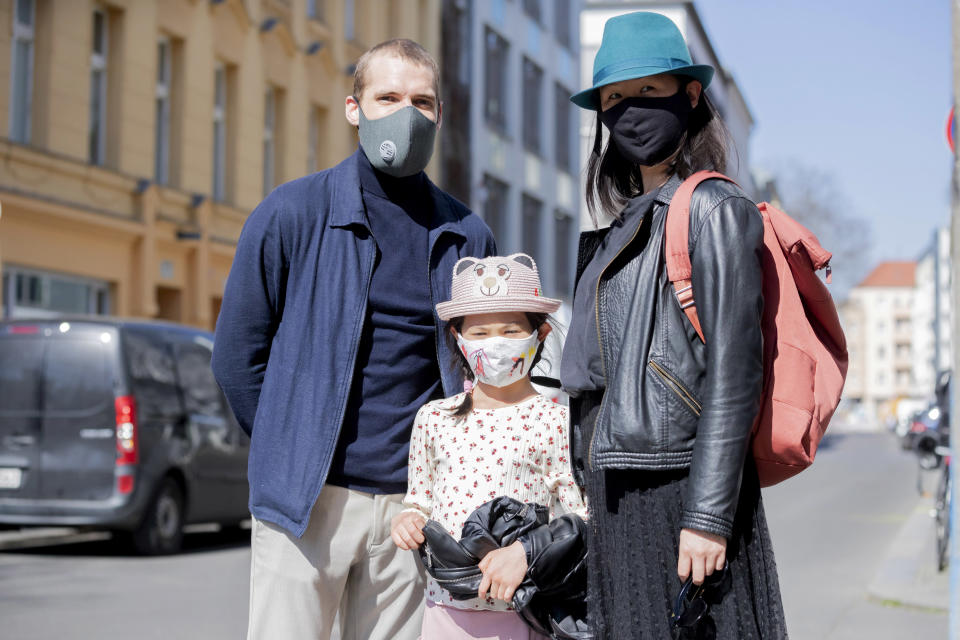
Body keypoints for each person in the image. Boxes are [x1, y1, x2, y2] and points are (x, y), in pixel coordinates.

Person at [211, 39, 496, 640]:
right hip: (306, 503)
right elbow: (238, 357)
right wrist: (290, 447)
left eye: (421, 101)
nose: (406, 113)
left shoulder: (466, 234)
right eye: (387, 97)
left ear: (439, 115)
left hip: (412, 511)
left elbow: (484, 368)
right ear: (353, 107)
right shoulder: (290, 213)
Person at [562, 12, 787, 639]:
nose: (629, 112)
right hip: (619, 494)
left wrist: (710, 514)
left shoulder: (713, 208)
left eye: (647, 93)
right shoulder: (624, 225)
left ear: (690, 97)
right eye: (613, 100)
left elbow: (736, 374)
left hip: (679, 490)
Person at [390, 253, 589, 639]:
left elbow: (583, 518)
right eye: (479, 334)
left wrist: (525, 553)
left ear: (541, 334)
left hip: (527, 612)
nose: (495, 344)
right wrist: (406, 520)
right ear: (457, 338)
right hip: (443, 611)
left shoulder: (558, 420)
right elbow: (419, 501)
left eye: (511, 331)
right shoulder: (434, 418)